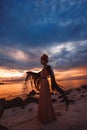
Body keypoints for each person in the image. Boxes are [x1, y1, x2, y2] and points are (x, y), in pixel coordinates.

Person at [38, 54, 56, 124]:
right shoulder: (43, 68)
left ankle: (48, 117)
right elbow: (39, 75)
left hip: (45, 83)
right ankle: (43, 116)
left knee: (45, 99)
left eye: (41, 60)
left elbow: (52, 76)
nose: (40, 61)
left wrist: (53, 85)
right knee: (42, 99)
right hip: (43, 83)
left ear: (45, 60)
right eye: (41, 60)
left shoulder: (48, 67)